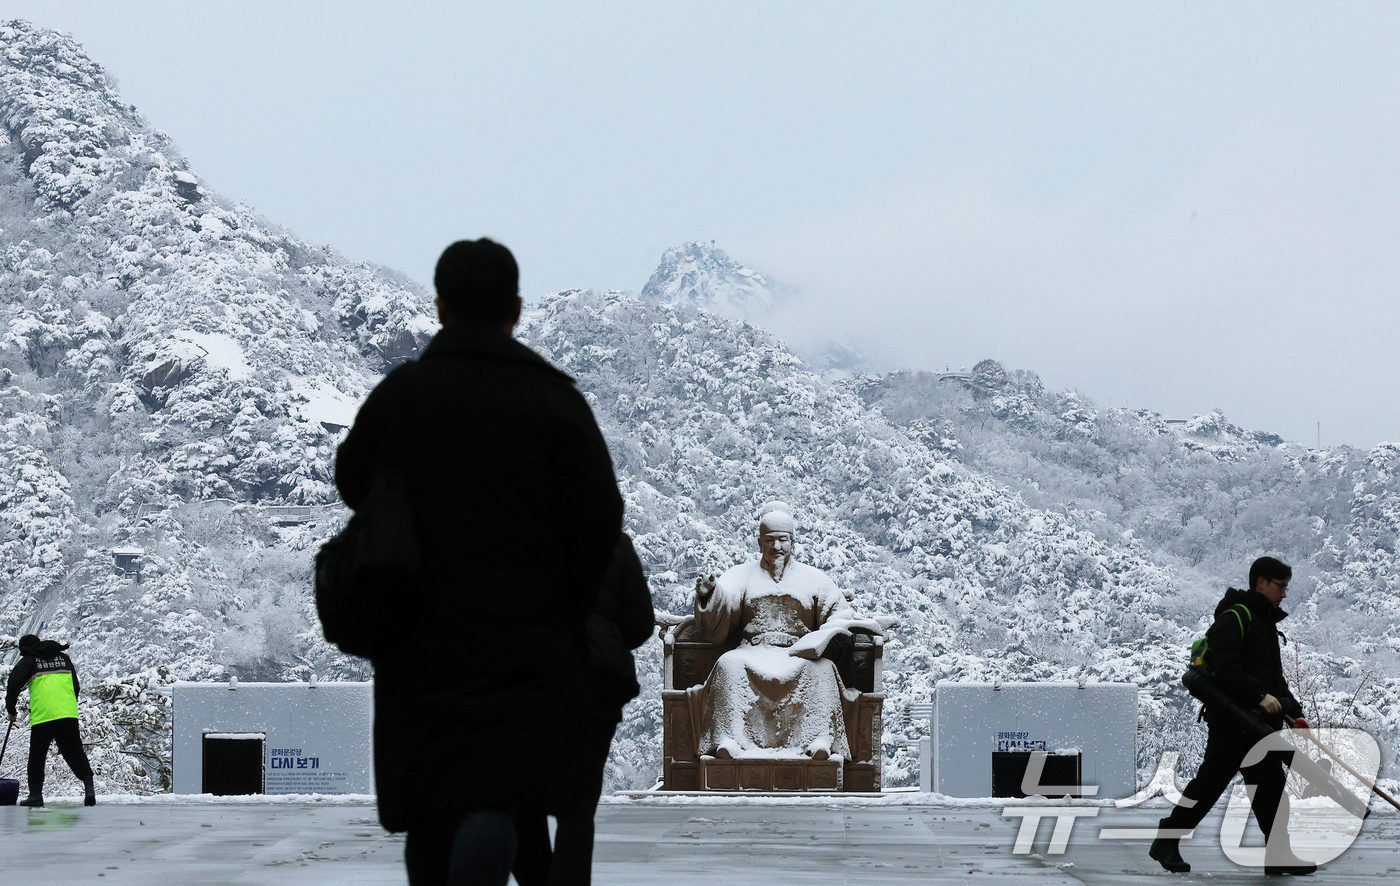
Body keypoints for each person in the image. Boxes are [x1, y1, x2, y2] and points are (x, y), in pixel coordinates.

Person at [335, 238, 624, 886]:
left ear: (439, 307)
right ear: (516, 309)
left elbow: (352, 481)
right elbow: (601, 518)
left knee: (434, 804)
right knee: (498, 793)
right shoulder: (556, 403)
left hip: (420, 641)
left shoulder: (403, 396)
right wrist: (561, 606)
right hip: (524, 648)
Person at [1150, 556, 1315, 876]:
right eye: (1281, 587)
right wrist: (1258, 696)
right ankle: (1166, 840)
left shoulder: (1265, 622)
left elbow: (1274, 680)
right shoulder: (1235, 617)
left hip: (1257, 725)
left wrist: (1293, 711)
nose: (1284, 594)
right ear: (1261, 582)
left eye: (1286, 588)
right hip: (1232, 722)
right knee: (1210, 785)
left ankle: (1279, 853)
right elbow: (1226, 671)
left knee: (1270, 788)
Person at [512, 531, 654, 886]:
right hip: (596, 681)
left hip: (525, 681)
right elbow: (640, 623)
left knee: (519, 799)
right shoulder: (611, 542)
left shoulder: (511, 534)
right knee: (578, 806)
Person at [688, 501, 882, 760]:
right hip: (753, 651)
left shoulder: (814, 579)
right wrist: (711, 593)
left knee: (822, 670)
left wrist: (829, 633)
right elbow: (724, 601)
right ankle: (728, 741)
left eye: (782, 540)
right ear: (760, 543)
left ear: (793, 542)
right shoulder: (743, 575)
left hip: (798, 654)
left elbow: (840, 612)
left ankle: (819, 742)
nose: (776, 547)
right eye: (769, 540)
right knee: (728, 665)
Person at [5, 634, 96, 807]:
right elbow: (75, 686)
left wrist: (11, 710)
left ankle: (35, 795)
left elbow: (13, 684)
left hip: (44, 715)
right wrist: (68, 704)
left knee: (38, 754)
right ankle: (89, 789)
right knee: (74, 751)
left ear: (25, 648)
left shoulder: (30, 660)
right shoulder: (64, 658)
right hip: (68, 713)